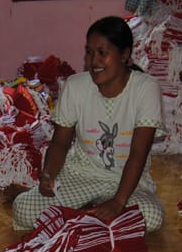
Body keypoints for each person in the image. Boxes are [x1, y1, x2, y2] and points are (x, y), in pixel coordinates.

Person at [12, 16, 166, 233]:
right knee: (24, 210)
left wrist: (118, 202)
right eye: (89, 52)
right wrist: (48, 174)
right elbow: (60, 143)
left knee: (151, 217)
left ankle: (79, 218)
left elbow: (138, 152)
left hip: (127, 183)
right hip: (81, 176)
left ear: (124, 55)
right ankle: (93, 217)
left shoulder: (145, 88)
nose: (94, 61)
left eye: (103, 53)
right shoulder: (75, 86)